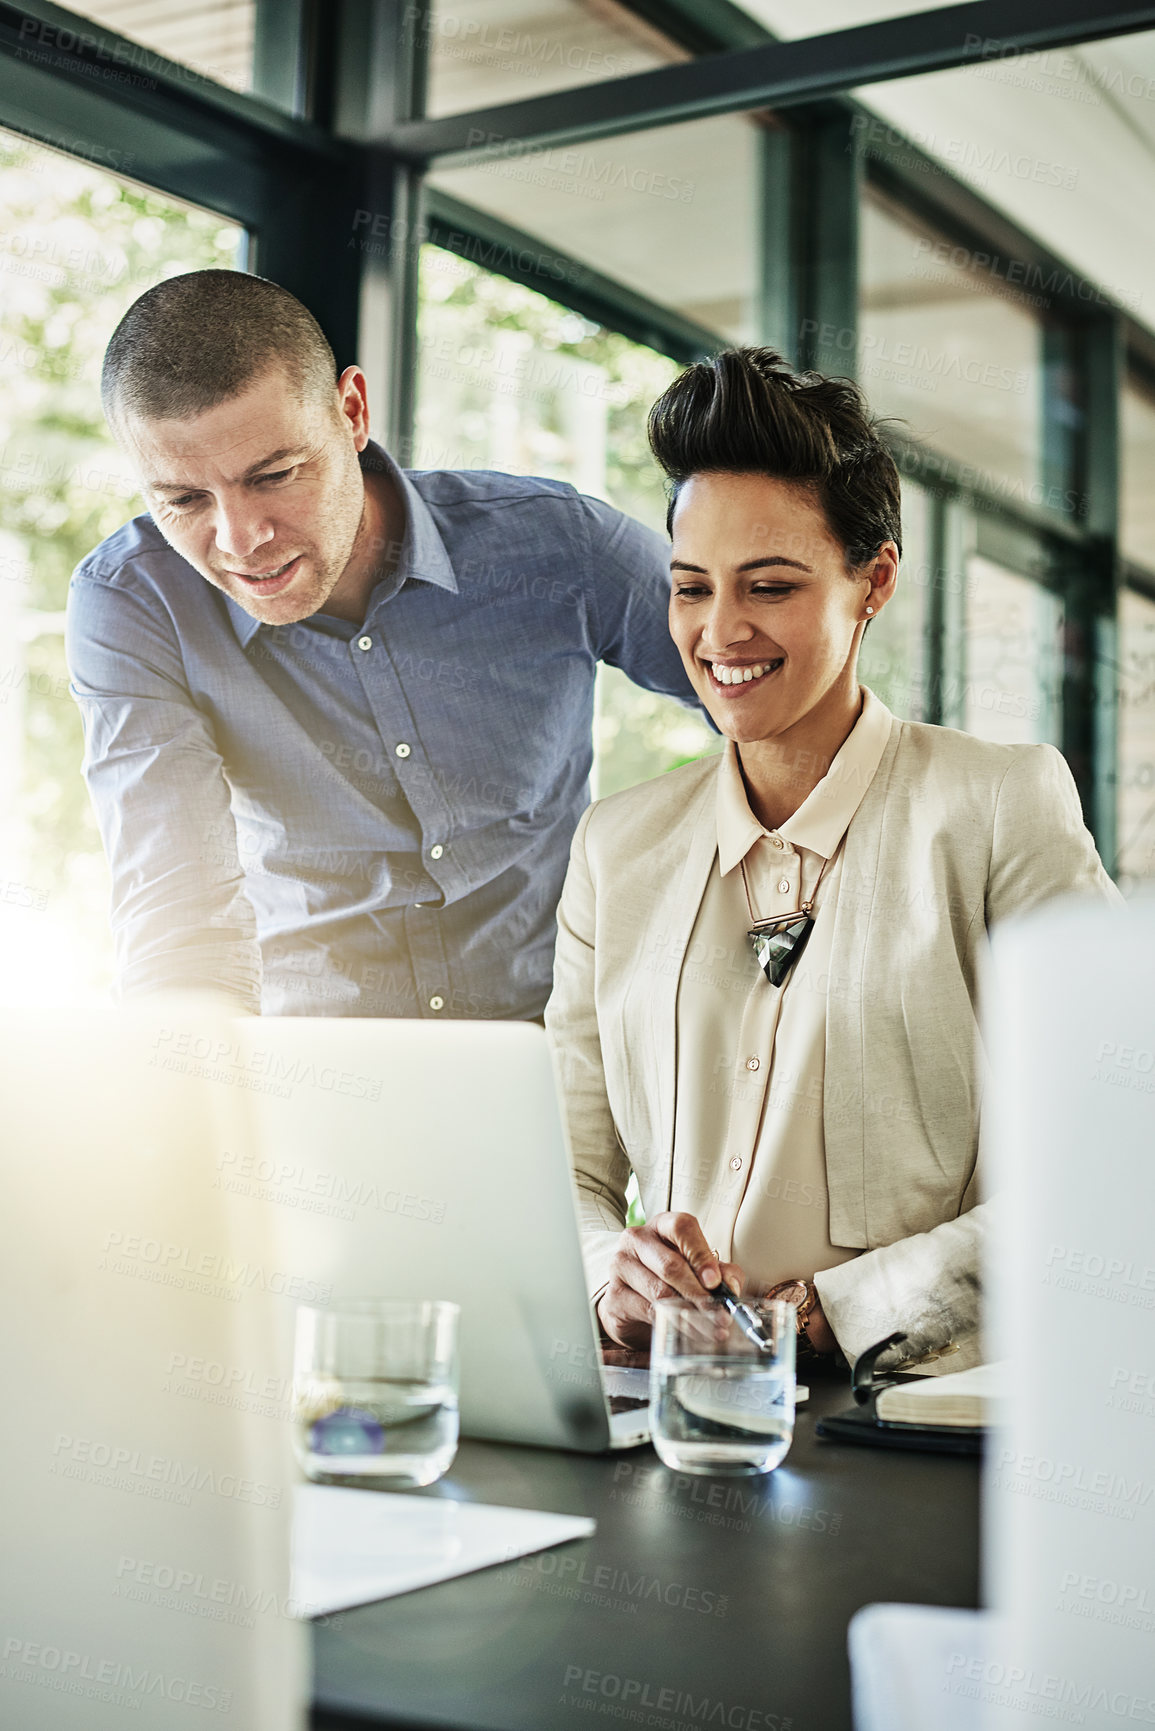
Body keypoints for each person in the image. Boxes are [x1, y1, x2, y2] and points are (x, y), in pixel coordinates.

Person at [545, 346, 1122, 1372]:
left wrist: (841, 1312)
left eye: (768, 585)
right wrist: (610, 1280)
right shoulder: (616, 848)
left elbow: (1112, 1153)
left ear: (874, 583)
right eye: (691, 588)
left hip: (914, 1427)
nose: (721, 631)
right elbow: (561, 1168)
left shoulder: (999, 806)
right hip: (675, 1421)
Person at [66, 270, 695, 1019]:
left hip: (564, 1051)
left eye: (274, 475)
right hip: (320, 1075)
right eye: (183, 500)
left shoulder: (558, 544)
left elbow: (773, 696)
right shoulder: (133, 600)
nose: (239, 540)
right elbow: (178, 915)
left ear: (352, 411)